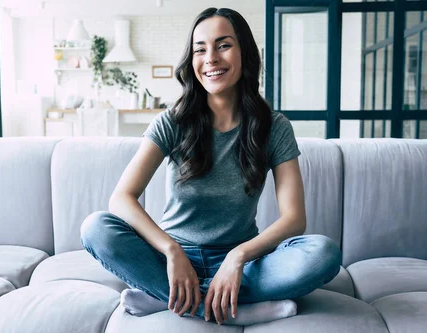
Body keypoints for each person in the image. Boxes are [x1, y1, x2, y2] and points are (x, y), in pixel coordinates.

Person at [80, 7, 342, 326]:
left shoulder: (274, 127)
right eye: (200, 49)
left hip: (242, 264)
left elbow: (294, 219)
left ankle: (169, 299)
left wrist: (237, 257)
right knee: (96, 227)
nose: (211, 58)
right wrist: (172, 251)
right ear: (192, 61)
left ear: (244, 52)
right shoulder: (173, 122)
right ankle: (230, 308)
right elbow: (121, 198)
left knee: (323, 253)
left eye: (223, 45)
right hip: (172, 259)